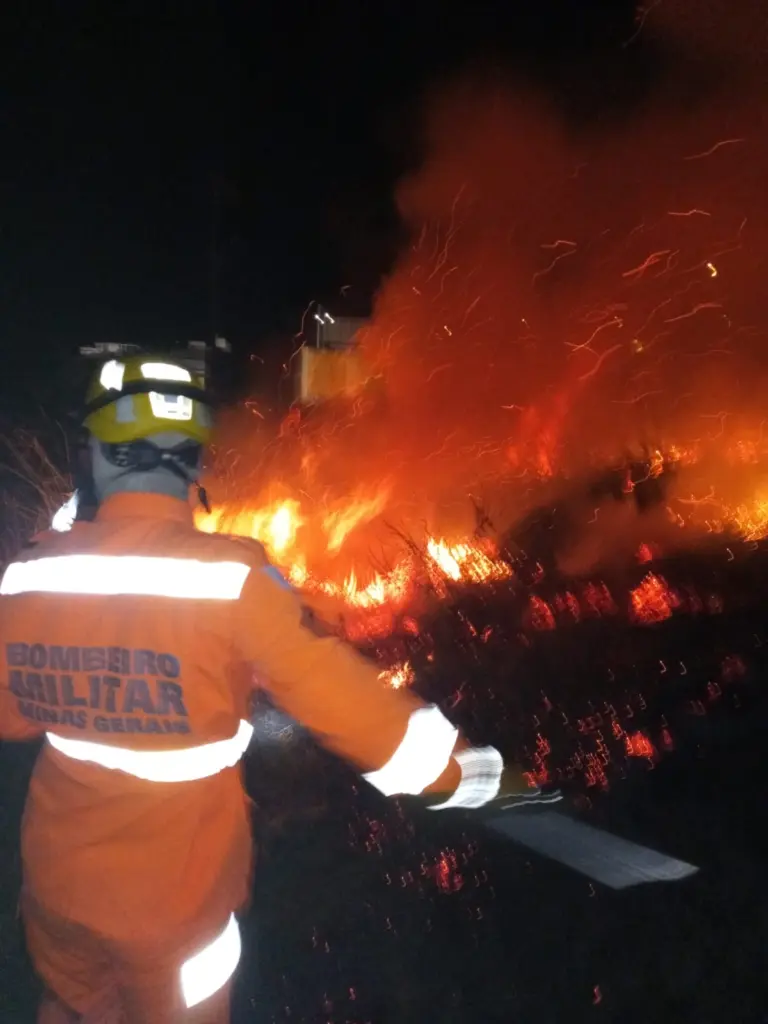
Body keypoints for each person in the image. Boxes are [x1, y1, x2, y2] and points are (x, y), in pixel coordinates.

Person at [0, 354, 559, 1023]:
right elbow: (346, 701)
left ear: (92, 455)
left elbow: (12, 720)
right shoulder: (231, 577)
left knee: (68, 1010)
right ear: (194, 467)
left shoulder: (29, 574)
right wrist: (469, 776)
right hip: (174, 915)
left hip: (56, 894)